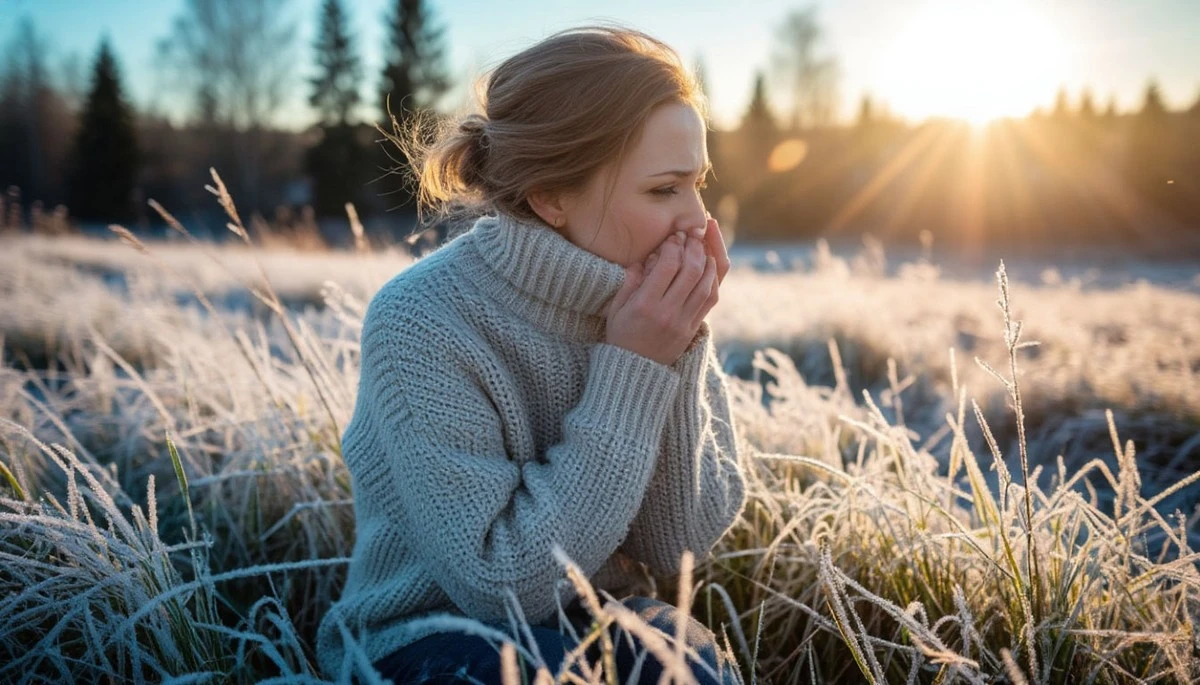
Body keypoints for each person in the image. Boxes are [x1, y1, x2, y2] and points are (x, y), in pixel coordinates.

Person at [315, 23, 747, 684]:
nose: (698, 220)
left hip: (595, 617)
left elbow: (674, 546)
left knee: (681, 657)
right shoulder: (421, 319)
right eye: (665, 189)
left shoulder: (652, 309)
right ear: (550, 197)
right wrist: (632, 366)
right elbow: (500, 586)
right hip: (424, 637)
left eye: (698, 183)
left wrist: (671, 351)